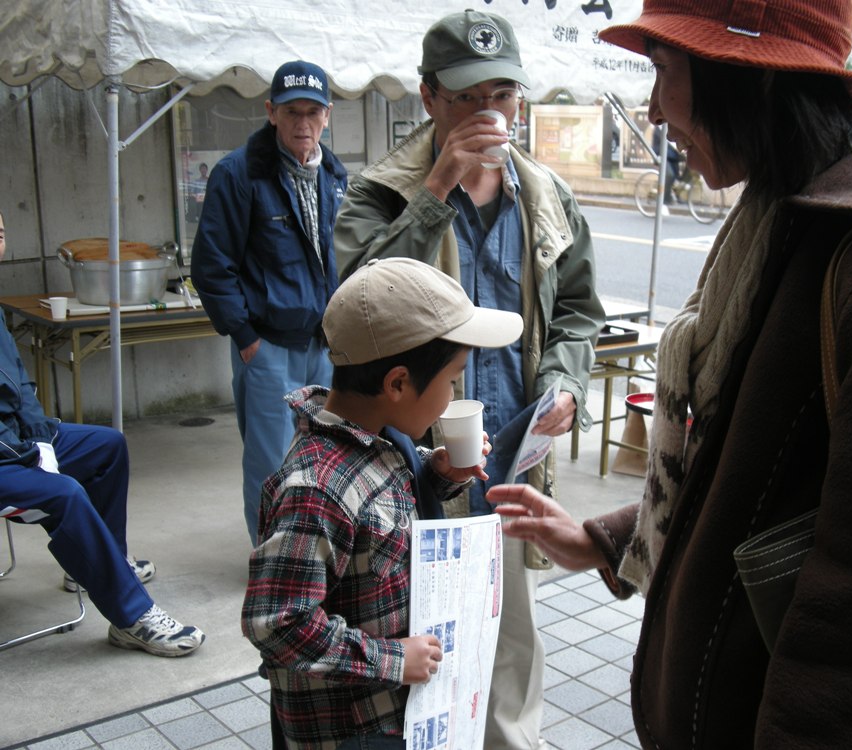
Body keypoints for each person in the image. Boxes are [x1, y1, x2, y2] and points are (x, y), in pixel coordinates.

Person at [486, 1, 852, 747]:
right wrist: (609, 540)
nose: (655, 111)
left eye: (665, 70)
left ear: (752, 76)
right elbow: (763, 485)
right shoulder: (778, 229)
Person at [334, 10, 604, 748]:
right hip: (408, 470)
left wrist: (566, 383)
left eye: (503, 94)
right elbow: (352, 306)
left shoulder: (547, 196)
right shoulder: (382, 192)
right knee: (411, 649)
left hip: (510, 464)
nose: (488, 113)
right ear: (428, 98)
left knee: (513, 642)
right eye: (465, 96)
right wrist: (437, 189)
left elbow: (579, 312)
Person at [241, 257, 523, 749]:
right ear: (396, 383)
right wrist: (394, 660)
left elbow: (382, 518)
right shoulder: (315, 489)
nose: (455, 392)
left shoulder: (380, 438)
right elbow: (278, 622)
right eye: (452, 378)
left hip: (395, 715)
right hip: (348, 731)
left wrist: (437, 474)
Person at [0, 210, 205, 658]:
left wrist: (37, 432)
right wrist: (24, 451)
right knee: (65, 493)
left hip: (17, 439)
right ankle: (130, 616)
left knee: (106, 446)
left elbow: (18, 381)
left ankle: (103, 563)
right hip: (3, 456)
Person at [191, 60, 349, 543]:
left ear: (327, 115)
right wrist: (244, 336)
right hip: (266, 347)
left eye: (313, 112)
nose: (303, 123)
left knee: (324, 456)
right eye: (292, 111)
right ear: (270, 113)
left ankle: (313, 556)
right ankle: (271, 564)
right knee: (270, 462)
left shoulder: (335, 176)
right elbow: (212, 265)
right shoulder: (239, 173)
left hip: (323, 345)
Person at [651, 123, 681, 204]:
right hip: (661, 156)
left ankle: (673, 195)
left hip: (670, 156)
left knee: (677, 174)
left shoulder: (670, 127)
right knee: (670, 174)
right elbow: (665, 143)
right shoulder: (659, 129)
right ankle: (664, 197)